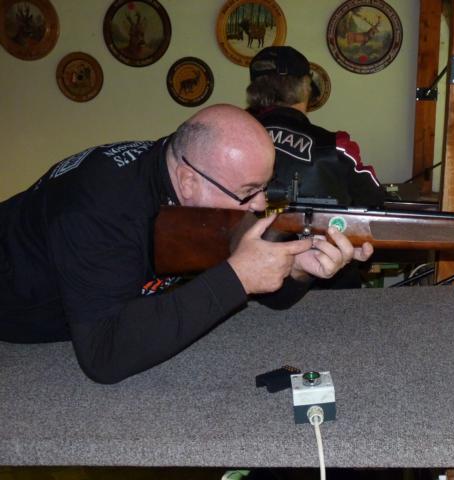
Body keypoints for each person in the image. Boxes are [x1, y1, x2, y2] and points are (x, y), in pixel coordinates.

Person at [0, 104, 373, 384]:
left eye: (264, 186)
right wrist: (236, 278)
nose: (259, 204)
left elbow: (273, 296)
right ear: (188, 180)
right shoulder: (102, 208)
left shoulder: (191, 185)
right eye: (248, 191)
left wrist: (297, 266)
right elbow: (103, 355)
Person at [247, 46, 386, 288]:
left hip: (245, 282)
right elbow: (374, 202)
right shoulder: (336, 145)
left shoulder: (228, 141)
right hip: (326, 284)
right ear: (305, 87)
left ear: (255, 91)